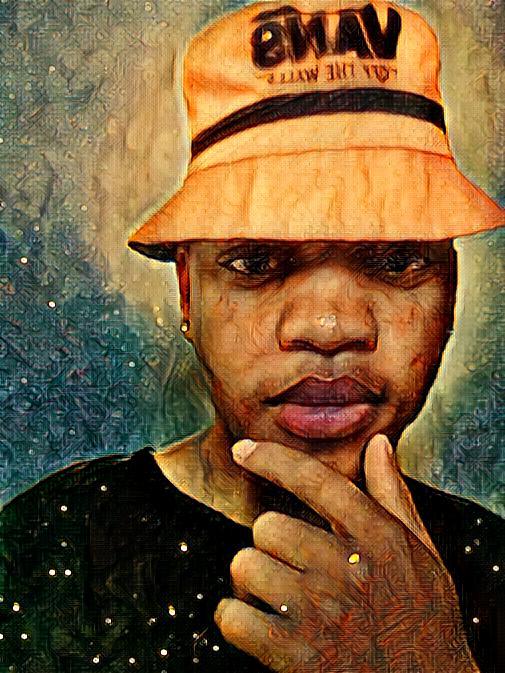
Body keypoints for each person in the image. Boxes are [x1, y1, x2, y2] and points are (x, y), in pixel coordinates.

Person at [1, 1, 504, 672]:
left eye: (395, 260)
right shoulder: (46, 550)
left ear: (452, 290)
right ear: (187, 290)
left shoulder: (493, 565)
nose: (328, 327)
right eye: (256, 262)